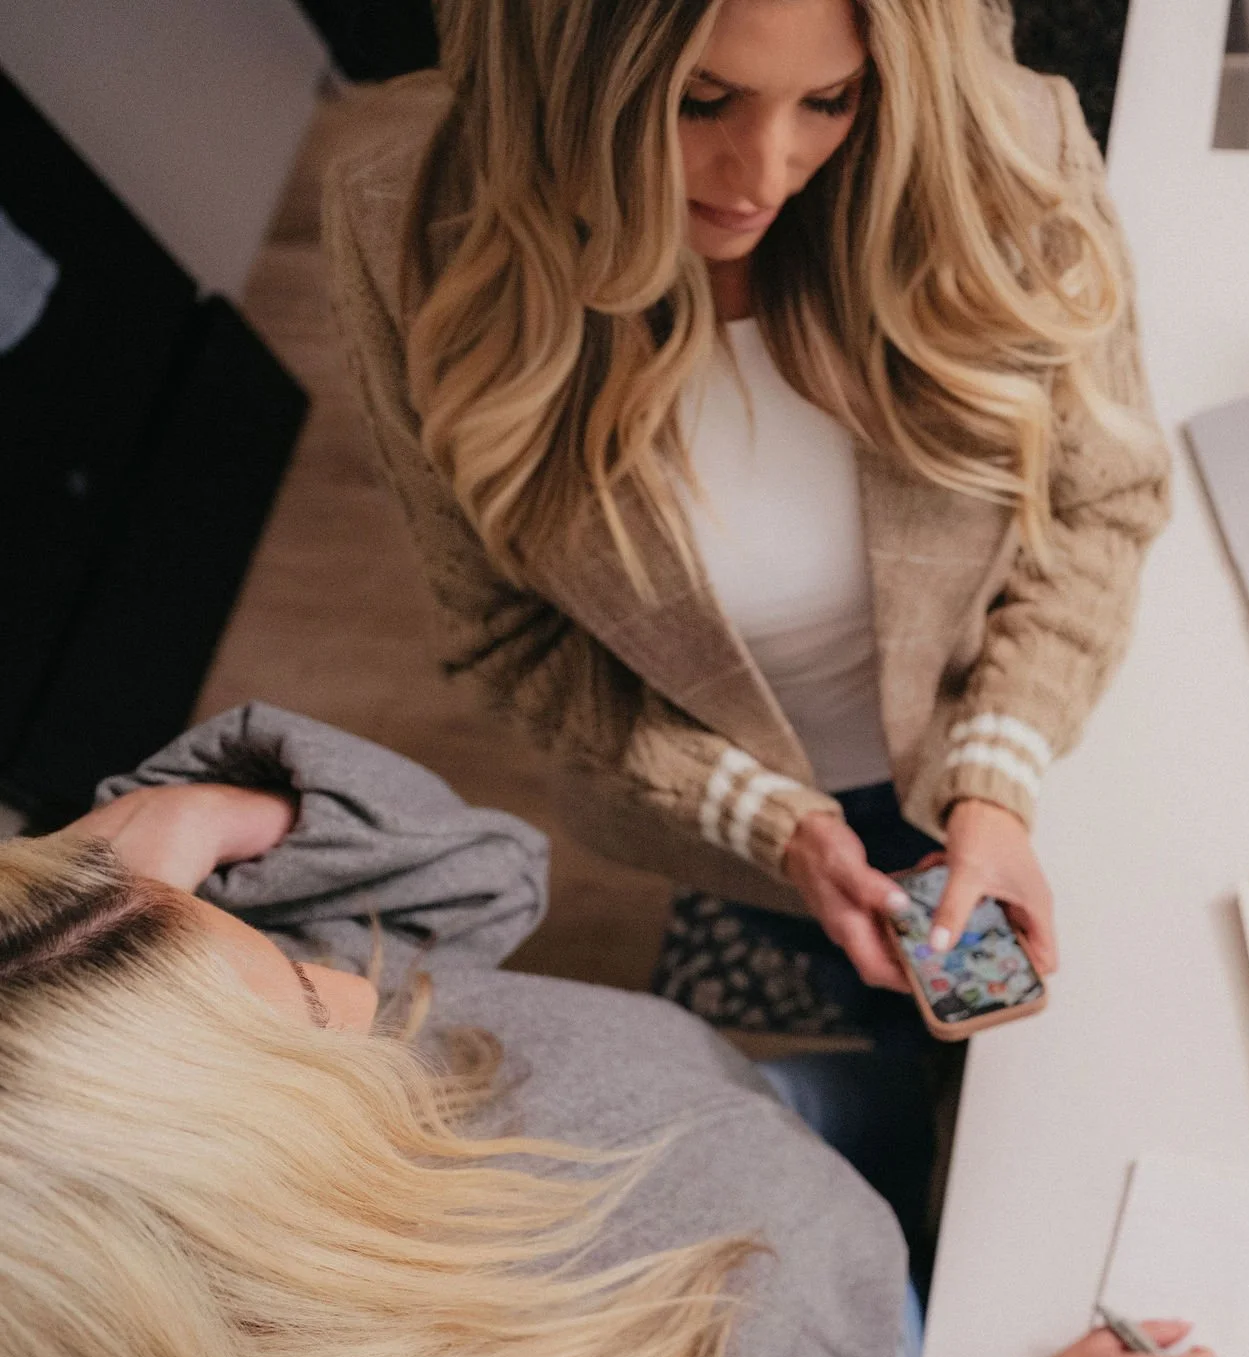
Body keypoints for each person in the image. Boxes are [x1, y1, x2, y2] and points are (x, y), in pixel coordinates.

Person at [323, 0, 1169, 1239]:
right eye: (698, 102)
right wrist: (768, 822)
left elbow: (1104, 500)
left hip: (1004, 730)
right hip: (722, 809)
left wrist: (992, 777)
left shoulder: (1010, 147)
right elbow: (509, 639)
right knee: (859, 982)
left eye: (829, 101)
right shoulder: (406, 230)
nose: (762, 176)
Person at [0, 704, 1226, 1357]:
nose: (355, 988)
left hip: (761, 1115)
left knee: (886, 1109)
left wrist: (212, 821)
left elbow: (483, 874)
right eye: (319, 1019)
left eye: (269, 936)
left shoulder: (218, 1039)